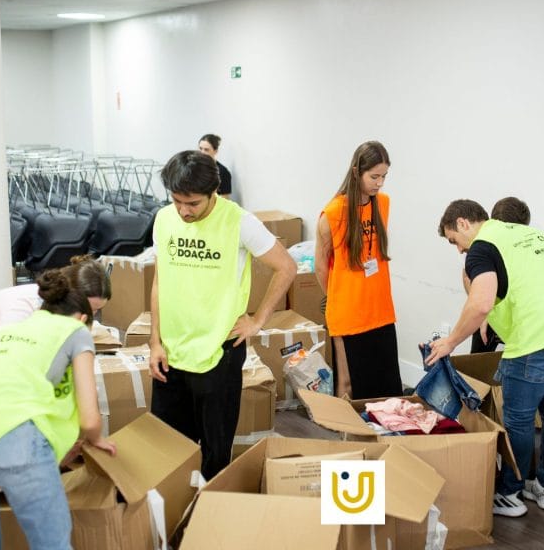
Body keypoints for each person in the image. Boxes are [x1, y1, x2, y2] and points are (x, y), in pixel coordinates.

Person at [427, 199, 544, 517]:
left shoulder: (482, 247)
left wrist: (450, 342)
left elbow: (480, 303)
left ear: (462, 223)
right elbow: (526, 286)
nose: (459, 250)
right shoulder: (533, 235)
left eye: (454, 240)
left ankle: (510, 493)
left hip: (539, 339)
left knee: (518, 418)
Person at [0, 270, 117, 550]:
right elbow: (90, 419)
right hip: (14, 435)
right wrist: (96, 438)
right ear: (83, 317)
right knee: (53, 545)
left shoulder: (11, 330)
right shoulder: (76, 331)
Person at [149, 150, 295, 480]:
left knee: (214, 450)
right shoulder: (163, 219)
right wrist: (155, 340)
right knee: (169, 449)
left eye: (192, 204)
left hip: (218, 351)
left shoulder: (239, 221)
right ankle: (175, 508)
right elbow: (160, 281)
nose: (184, 211)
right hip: (171, 352)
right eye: (177, 201)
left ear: (213, 192)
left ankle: (209, 506)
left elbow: (286, 267)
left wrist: (258, 320)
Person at [0, 255, 112, 416]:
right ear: (70, 295)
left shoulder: (56, 309)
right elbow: (4, 364)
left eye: (97, 311)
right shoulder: (23, 308)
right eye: (89, 309)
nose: (90, 317)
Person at [314, 140, 403, 400]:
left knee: (388, 385)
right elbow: (320, 266)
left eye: (384, 176)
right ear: (356, 172)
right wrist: (336, 298)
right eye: (374, 176)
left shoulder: (382, 203)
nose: (379, 183)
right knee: (350, 386)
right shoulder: (333, 213)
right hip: (348, 312)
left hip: (380, 310)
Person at [470, 196, 532, 353]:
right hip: (494, 314)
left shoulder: (530, 247)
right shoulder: (484, 246)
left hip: (523, 318)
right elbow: (467, 276)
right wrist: (485, 312)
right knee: (478, 354)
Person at [198, 133, 233, 200]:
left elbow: (225, 199)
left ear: (215, 151)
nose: (202, 152)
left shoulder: (223, 172)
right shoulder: (193, 168)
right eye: (200, 148)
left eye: (206, 150)